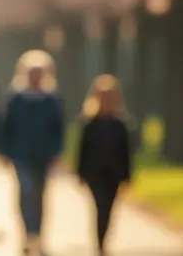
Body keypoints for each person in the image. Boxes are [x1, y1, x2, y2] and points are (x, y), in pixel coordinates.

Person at [0, 49, 64, 256]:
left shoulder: (51, 100)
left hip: (44, 154)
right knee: (26, 191)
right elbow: (5, 126)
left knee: (40, 195)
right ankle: (28, 233)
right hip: (21, 154)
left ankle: (39, 233)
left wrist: (57, 153)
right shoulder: (16, 99)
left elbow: (58, 129)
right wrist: (4, 151)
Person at [76, 74, 132, 255]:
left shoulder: (120, 125)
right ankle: (99, 243)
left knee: (109, 208)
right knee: (100, 205)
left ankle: (103, 239)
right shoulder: (89, 123)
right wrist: (80, 173)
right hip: (95, 173)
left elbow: (126, 152)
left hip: (114, 173)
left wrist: (128, 175)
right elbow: (82, 150)